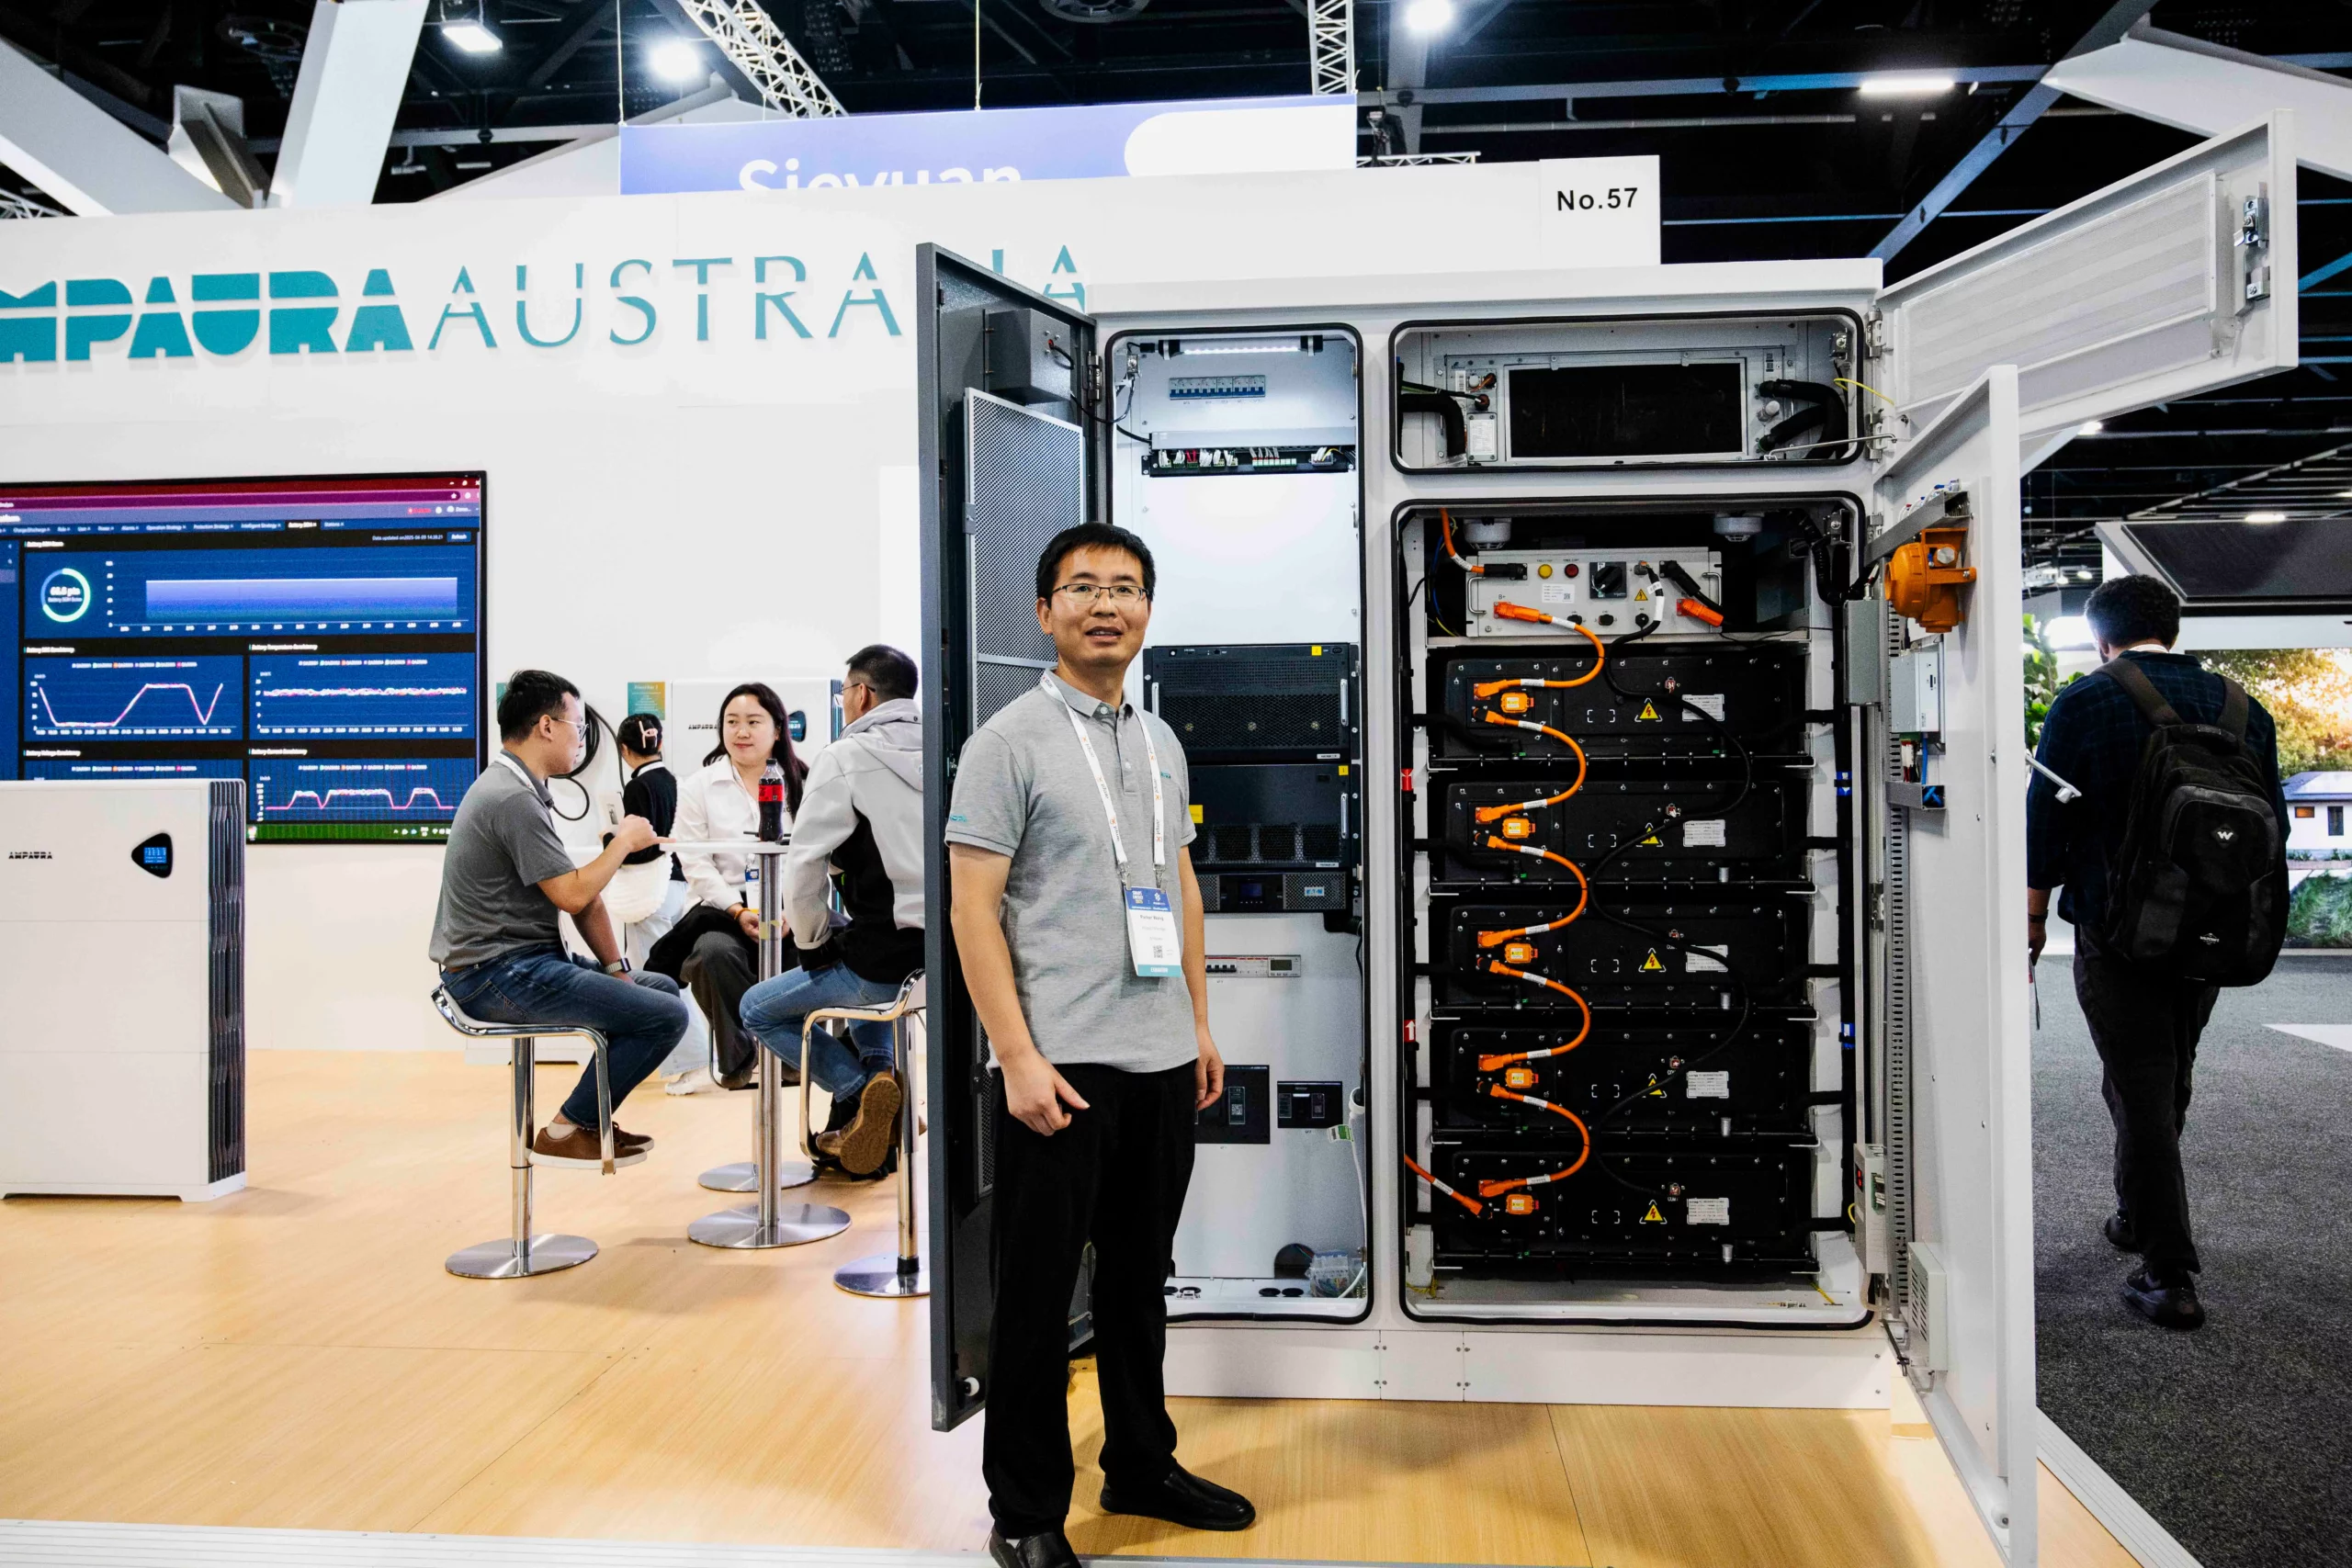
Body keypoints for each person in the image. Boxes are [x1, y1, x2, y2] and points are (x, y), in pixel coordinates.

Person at [945, 522, 1252, 1568]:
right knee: (1035, 1301)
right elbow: (972, 912)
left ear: (1148, 610)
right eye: (1082, 588)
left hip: (1160, 1059)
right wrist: (1016, 1057)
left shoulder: (1159, 739)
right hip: (1060, 1068)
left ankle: (1141, 1463)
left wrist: (1197, 1022)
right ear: (1045, 613)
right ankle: (1026, 1513)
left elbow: (1179, 885)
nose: (1105, 605)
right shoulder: (1007, 743)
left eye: (1125, 588)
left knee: (1137, 1281)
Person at [2027, 575, 2288, 1332]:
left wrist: (2033, 915)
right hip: (2212, 926)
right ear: (2172, 629)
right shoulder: (2243, 709)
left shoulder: (2086, 700)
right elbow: (2272, 824)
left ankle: (2168, 1272)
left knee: (2141, 1082)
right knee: (2167, 1071)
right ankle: (2136, 1212)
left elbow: (2044, 819)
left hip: (2119, 929)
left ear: (2101, 636)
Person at [432, 670, 690, 1166]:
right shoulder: (511, 798)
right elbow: (573, 895)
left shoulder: (522, 789)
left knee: (657, 989)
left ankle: (587, 1119)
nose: (582, 739)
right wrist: (623, 844)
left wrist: (618, 971)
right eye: (579, 727)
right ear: (547, 727)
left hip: (518, 963)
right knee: (666, 1015)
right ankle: (570, 1127)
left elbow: (583, 896)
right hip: (494, 974)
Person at [740, 645, 926, 1177]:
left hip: (881, 961)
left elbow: (804, 864)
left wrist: (812, 943)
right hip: (944, 957)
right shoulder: (950, 748)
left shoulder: (844, 757)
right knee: (858, 979)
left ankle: (862, 1090)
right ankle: (880, 1087)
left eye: (844, 692)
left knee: (757, 1009)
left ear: (862, 694)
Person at [664, 682, 808, 1090]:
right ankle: (739, 1055)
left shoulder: (804, 781)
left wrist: (791, 909)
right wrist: (738, 909)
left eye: (753, 722)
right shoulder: (698, 785)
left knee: (832, 944)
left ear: (777, 730)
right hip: (721, 910)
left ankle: (799, 1052)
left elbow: (815, 854)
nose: (741, 732)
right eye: (732, 722)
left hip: (789, 905)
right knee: (712, 954)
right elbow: (695, 860)